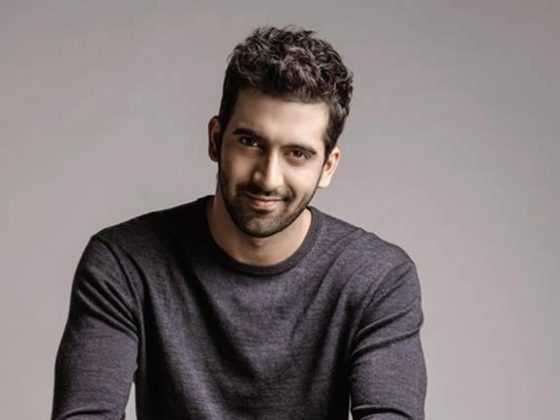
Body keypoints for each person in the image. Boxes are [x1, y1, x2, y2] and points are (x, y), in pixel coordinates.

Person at [52, 25, 427, 420]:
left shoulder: (377, 278)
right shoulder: (125, 262)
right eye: (251, 142)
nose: (268, 178)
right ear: (216, 139)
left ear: (328, 167)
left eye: (297, 154)